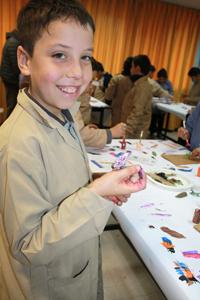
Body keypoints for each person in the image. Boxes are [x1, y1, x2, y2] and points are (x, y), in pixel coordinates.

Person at [0, 1, 146, 299]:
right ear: (25, 60)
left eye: (85, 57)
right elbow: (29, 244)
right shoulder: (18, 143)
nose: (78, 72)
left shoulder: (62, 114)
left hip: (75, 262)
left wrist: (101, 184)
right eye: (59, 55)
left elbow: (62, 181)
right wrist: (96, 195)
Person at [121, 54, 152, 139]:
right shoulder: (138, 83)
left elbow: (137, 112)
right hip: (132, 129)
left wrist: (127, 131)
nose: (130, 70)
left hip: (135, 133)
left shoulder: (143, 87)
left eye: (132, 67)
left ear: (137, 68)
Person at [104, 56, 134, 126]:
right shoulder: (136, 83)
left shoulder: (117, 79)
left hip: (116, 113)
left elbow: (108, 97)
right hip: (130, 116)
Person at [148, 65, 173, 138]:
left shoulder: (168, 83)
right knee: (154, 118)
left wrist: (168, 96)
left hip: (164, 104)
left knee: (161, 118)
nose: (161, 80)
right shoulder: (155, 82)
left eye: (163, 79)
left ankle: (159, 133)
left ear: (166, 78)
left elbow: (171, 93)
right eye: (160, 79)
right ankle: (152, 132)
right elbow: (152, 93)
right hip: (155, 106)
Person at [0, 29, 21, 117]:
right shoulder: (13, 42)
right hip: (11, 79)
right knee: (12, 104)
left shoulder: (12, 40)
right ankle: (9, 127)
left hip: (9, 78)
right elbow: (15, 65)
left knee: (12, 103)